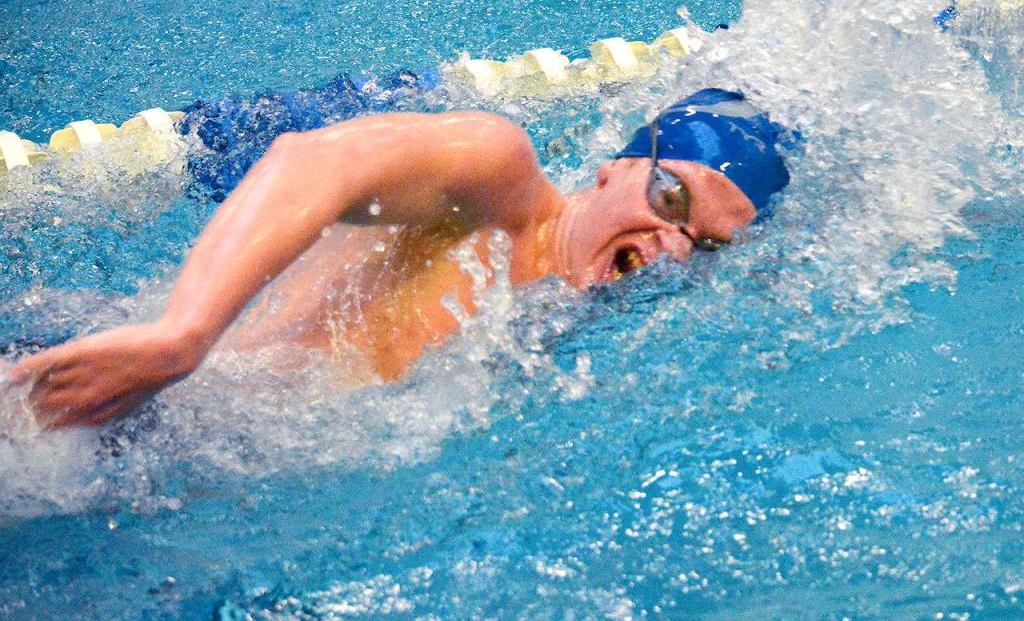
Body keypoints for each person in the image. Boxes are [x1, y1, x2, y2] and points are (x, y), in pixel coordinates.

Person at [9, 88, 790, 428]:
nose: (671, 247)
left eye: (706, 246)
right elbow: (309, 160)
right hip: (123, 398)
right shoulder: (500, 184)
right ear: (616, 167)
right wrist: (182, 336)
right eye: (673, 199)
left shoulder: (573, 325)